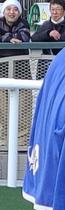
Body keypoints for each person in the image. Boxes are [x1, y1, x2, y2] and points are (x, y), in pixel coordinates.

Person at [0, 0, 31, 146]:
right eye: (8, 9)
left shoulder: (24, 23)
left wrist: (5, 37)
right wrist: (8, 38)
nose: (12, 12)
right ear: (3, 11)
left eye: (15, 10)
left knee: (24, 105)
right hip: (3, 70)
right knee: (2, 107)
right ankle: (4, 137)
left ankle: (22, 139)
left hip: (21, 70)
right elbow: (12, 38)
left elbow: (23, 38)